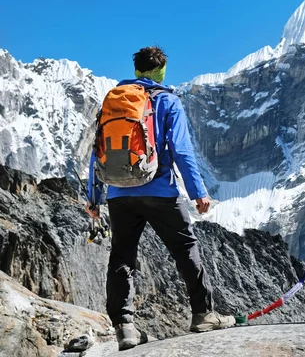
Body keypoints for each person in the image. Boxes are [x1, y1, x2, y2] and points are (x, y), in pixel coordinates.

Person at [85, 46, 235, 351]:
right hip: (159, 191)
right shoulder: (167, 100)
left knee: (122, 255)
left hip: (118, 193)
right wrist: (198, 194)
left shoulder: (113, 102)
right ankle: (203, 313)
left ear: (136, 70)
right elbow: (181, 150)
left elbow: (96, 152)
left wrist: (94, 197)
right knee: (185, 248)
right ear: (161, 72)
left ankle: (124, 326)